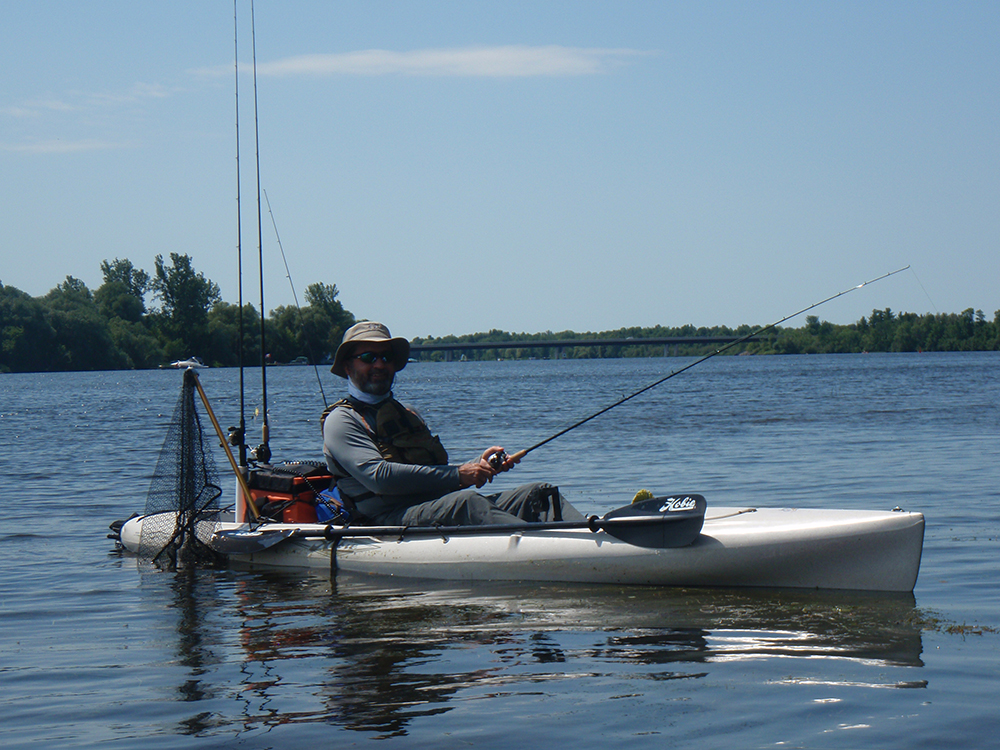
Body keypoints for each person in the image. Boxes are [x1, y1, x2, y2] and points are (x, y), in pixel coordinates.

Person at [322, 321, 583, 527]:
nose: (380, 364)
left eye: (386, 357)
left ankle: (598, 536)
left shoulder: (408, 414)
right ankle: (547, 547)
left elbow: (435, 475)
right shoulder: (341, 421)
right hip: (386, 521)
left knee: (538, 493)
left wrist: (478, 467)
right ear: (347, 366)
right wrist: (460, 474)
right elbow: (379, 478)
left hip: (437, 507)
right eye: (368, 357)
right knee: (467, 503)